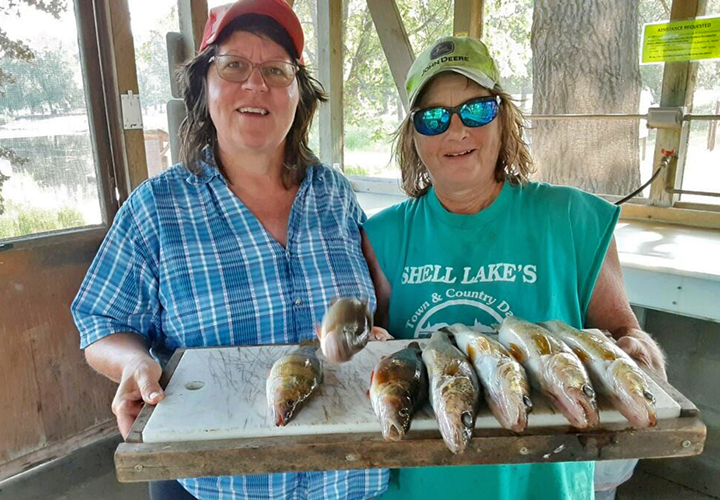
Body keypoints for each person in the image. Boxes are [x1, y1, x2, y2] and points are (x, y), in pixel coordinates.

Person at [71, 1, 388, 499]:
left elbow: (369, 310)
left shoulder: (336, 194)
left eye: (276, 71)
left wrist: (371, 336)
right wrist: (133, 364)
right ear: (204, 85)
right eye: (234, 65)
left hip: (349, 477)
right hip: (223, 484)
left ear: (298, 93)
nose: (255, 86)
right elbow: (101, 322)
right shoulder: (157, 208)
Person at [361, 36, 667, 500]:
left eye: (477, 110)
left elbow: (624, 333)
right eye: (434, 117)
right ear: (413, 135)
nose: (456, 130)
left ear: (503, 118)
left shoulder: (573, 219)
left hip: (545, 485)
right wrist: (370, 344)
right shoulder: (381, 235)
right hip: (422, 484)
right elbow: (381, 359)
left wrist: (639, 351)